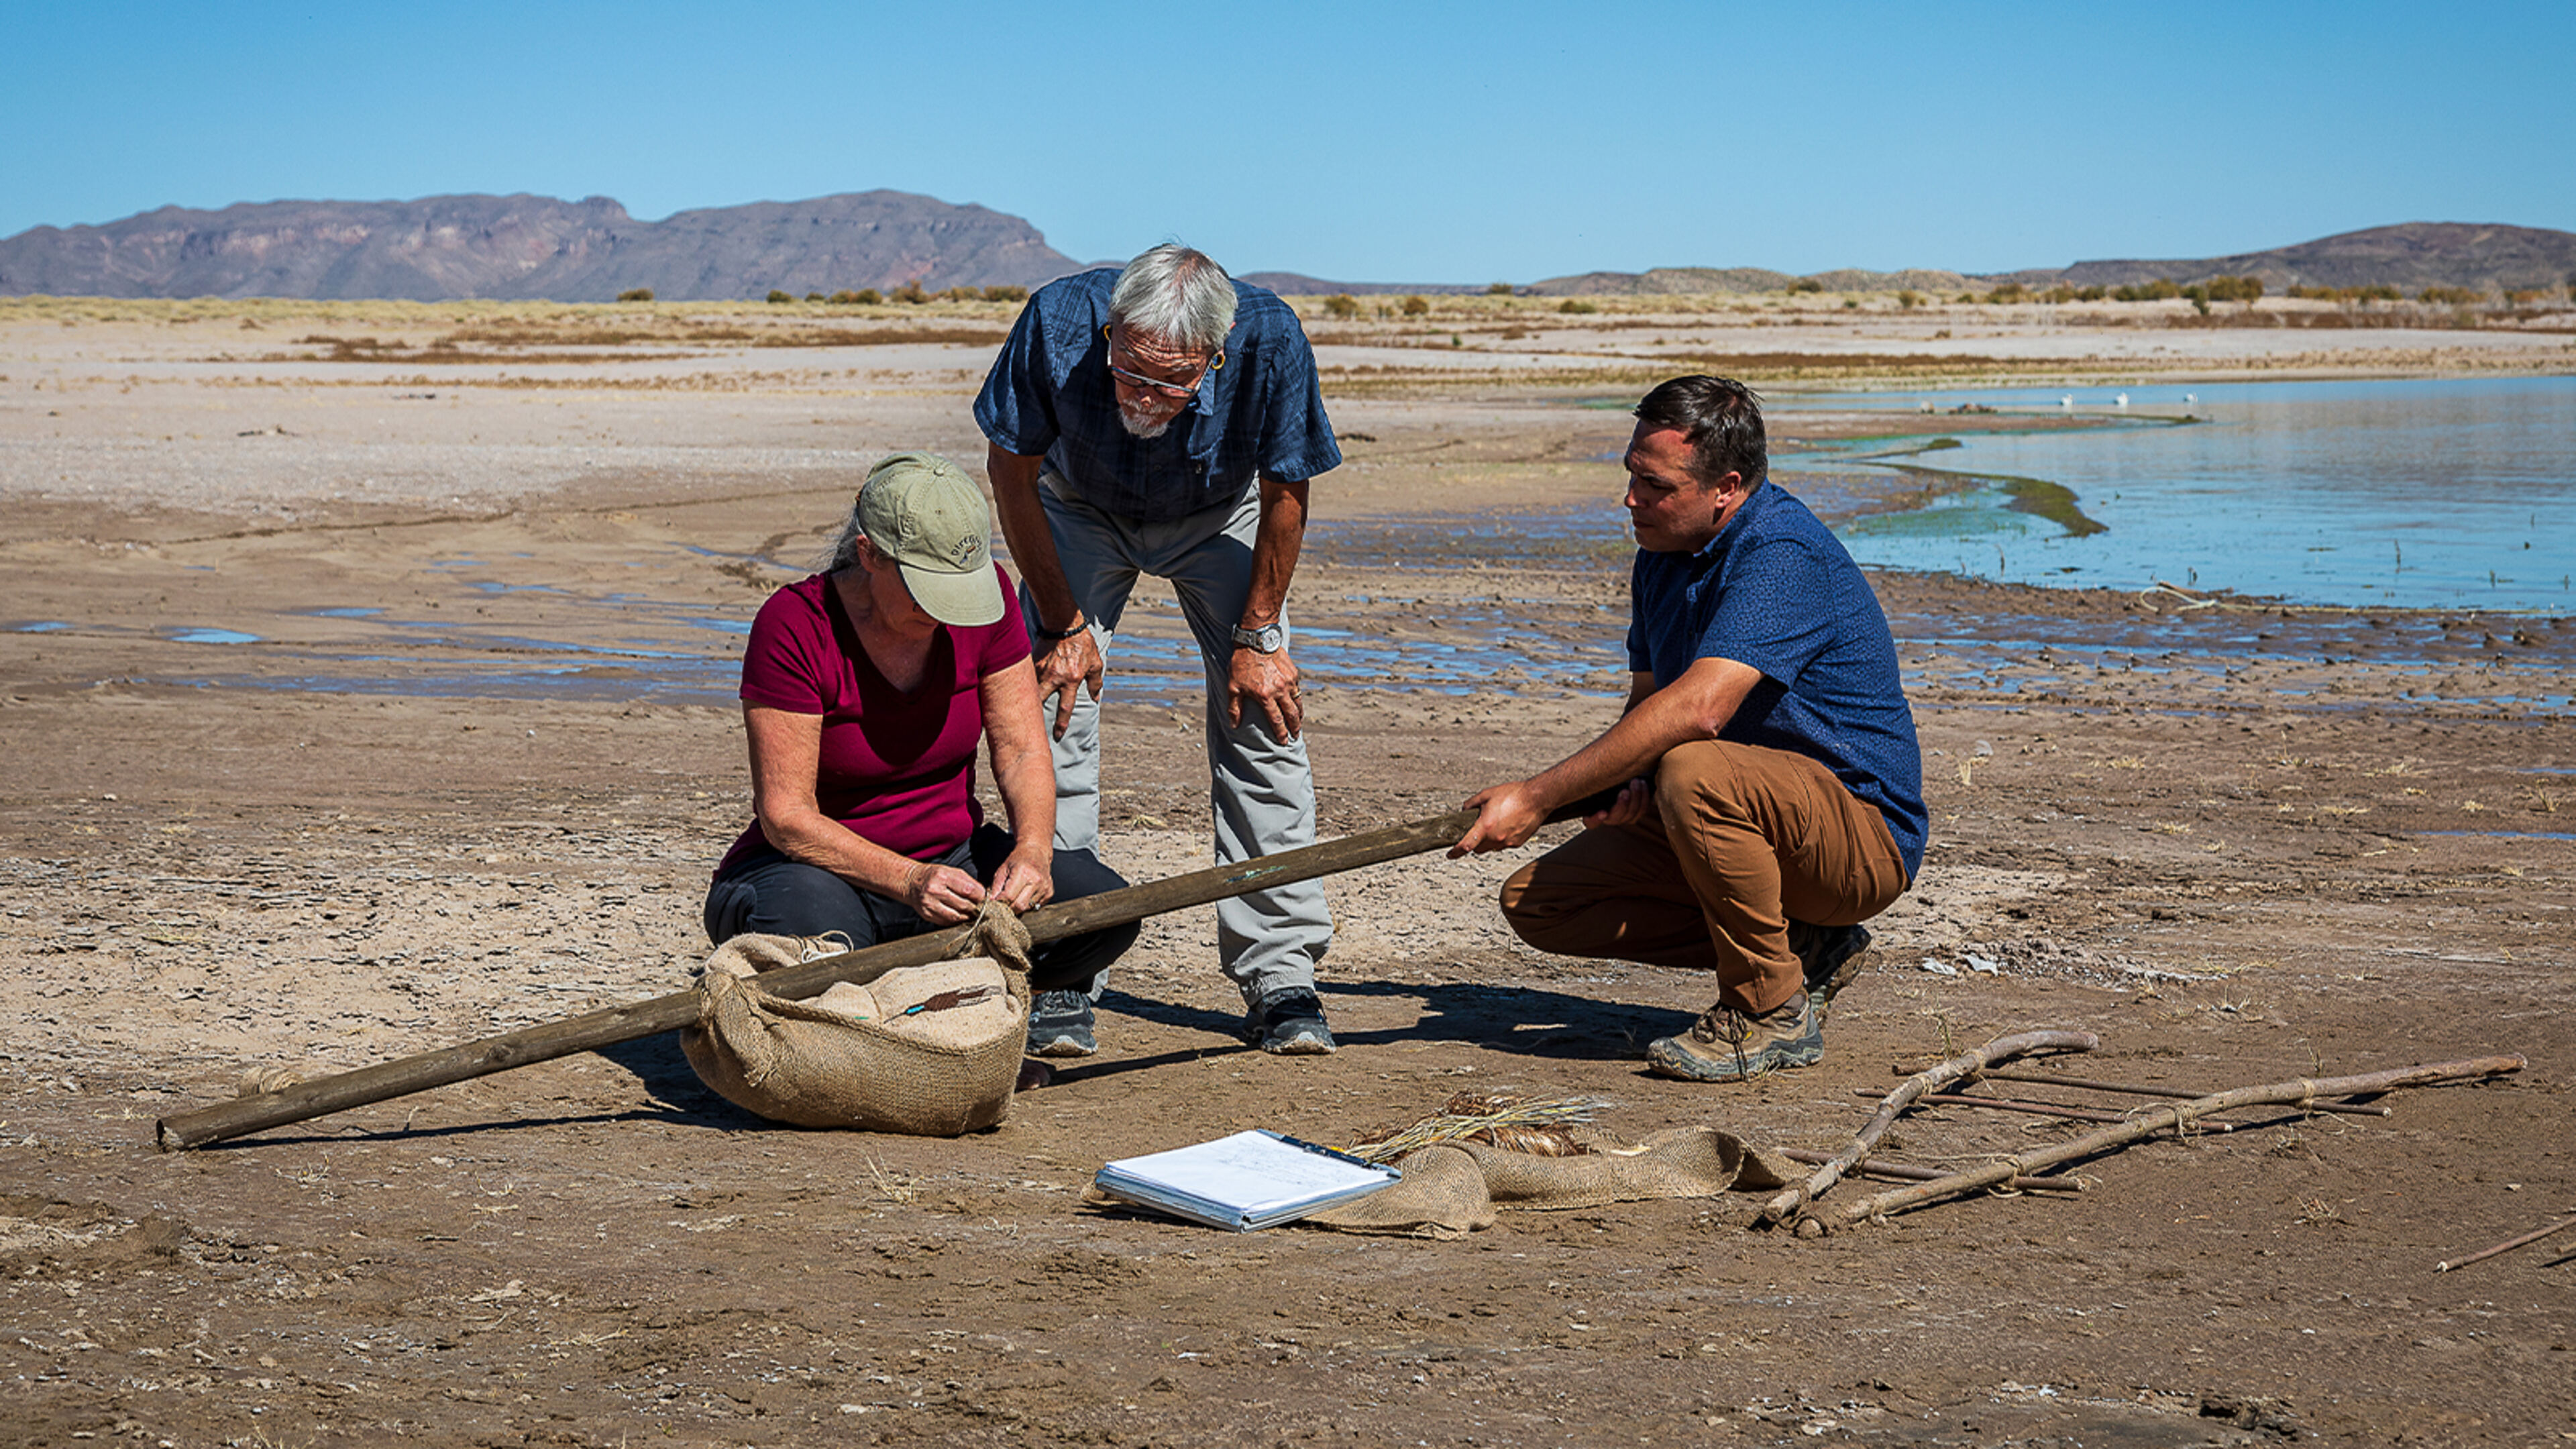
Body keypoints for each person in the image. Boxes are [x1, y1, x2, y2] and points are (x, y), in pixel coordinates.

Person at [1450, 376, 1925, 1082]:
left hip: (1859, 839)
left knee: (1693, 768)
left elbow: (1700, 711)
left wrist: (1539, 796)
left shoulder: (1781, 553)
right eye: (1631, 476)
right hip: (1745, 815)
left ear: (1727, 488)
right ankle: (1804, 948)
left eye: (1656, 486)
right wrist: (1624, 787)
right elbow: (1648, 704)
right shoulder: (1662, 556)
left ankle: (1769, 1010)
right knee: (1543, 904)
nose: (1631, 499)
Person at [975, 244, 1342, 1057]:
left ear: (1216, 356)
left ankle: (1281, 972)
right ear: (1110, 330)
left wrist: (1258, 637)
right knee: (1053, 707)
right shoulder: (1057, 322)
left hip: (1221, 511)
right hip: (1077, 506)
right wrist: (1063, 626)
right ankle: (1064, 961)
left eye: (1171, 382)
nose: (1144, 396)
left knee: (1264, 715)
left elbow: (1287, 488)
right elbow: (1011, 470)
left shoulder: (1272, 337)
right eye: (1129, 372)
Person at [702, 451, 1138, 1006]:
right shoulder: (794, 625)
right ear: (869, 554)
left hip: (952, 861)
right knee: (826, 955)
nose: (946, 612)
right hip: (813, 870)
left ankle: (952, 1008)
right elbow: (787, 817)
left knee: (1105, 912)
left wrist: (1032, 850)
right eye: (927, 592)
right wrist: (909, 881)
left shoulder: (990, 602)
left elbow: (1022, 750)